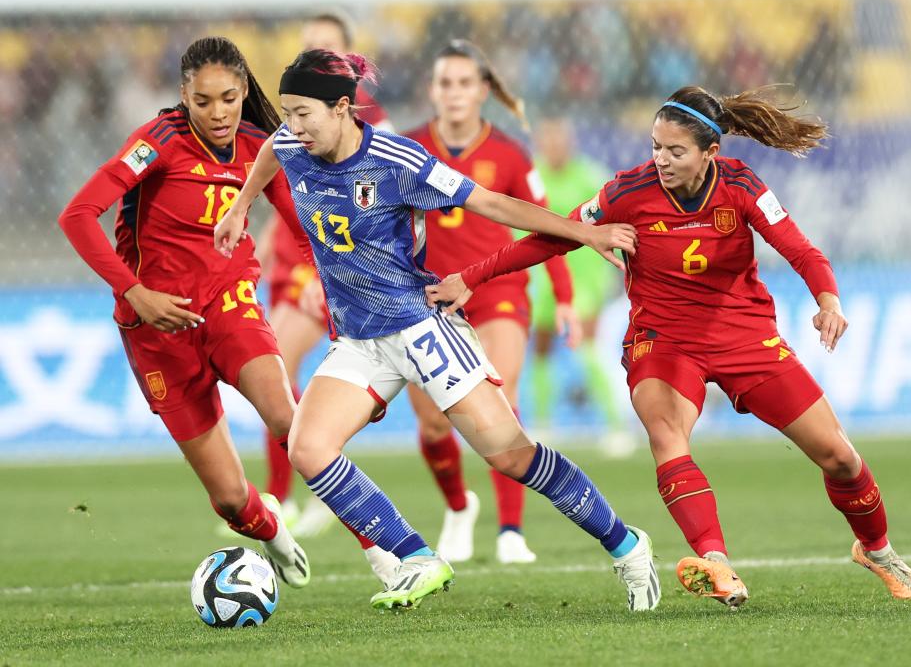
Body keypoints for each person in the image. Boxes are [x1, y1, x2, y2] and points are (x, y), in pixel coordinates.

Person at [427, 85, 911, 607]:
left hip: (745, 337)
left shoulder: (741, 185)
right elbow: (554, 236)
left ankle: (878, 550)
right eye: (655, 147)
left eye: (675, 151)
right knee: (667, 436)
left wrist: (828, 301)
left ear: (710, 151)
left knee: (840, 458)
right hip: (662, 341)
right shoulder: (627, 192)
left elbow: (802, 251)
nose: (661, 160)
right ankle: (716, 562)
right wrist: (471, 276)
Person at [214, 49, 659, 612]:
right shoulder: (291, 143)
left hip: (420, 328)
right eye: (287, 113)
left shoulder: (397, 160)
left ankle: (627, 546)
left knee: (511, 455)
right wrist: (241, 205)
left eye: (303, 113)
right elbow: (268, 153)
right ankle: (416, 556)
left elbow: (492, 203)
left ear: (342, 108)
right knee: (309, 447)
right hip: (360, 340)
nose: (292, 126)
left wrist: (583, 233)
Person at [57, 36, 310, 589]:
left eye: (228, 99)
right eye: (203, 101)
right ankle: (272, 530)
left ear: (243, 92)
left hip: (229, 304)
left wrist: (333, 287)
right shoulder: (157, 143)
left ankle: (388, 550)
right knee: (230, 500)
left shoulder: (261, 148)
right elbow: (77, 216)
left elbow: (302, 227)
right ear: (183, 95)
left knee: (290, 424)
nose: (218, 113)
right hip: (156, 332)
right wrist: (137, 294)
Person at [400, 40, 577, 564]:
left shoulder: (510, 154)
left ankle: (511, 531)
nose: (454, 92)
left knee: (501, 396)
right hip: (427, 295)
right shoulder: (406, 149)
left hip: (496, 289)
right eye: (445, 83)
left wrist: (564, 296)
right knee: (435, 423)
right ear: (432, 90)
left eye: (464, 83)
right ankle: (459, 507)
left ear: (482, 91)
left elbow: (545, 226)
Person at [254, 11, 395, 544]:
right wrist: (262, 241)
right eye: (309, 46)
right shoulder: (298, 117)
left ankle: (298, 488)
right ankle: (302, 486)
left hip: (331, 261)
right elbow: (288, 180)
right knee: (279, 372)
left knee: (278, 365)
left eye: (327, 48)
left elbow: (377, 210)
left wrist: (333, 269)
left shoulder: (373, 125)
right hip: (294, 252)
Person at [529, 116, 632, 456]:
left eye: (560, 140)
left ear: (570, 143)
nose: (554, 147)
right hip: (543, 277)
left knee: (585, 346)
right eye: (548, 141)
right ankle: (543, 424)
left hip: (584, 280)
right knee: (541, 349)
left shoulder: (589, 177)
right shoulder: (532, 176)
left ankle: (616, 426)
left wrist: (612, 271)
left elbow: (615, 220)